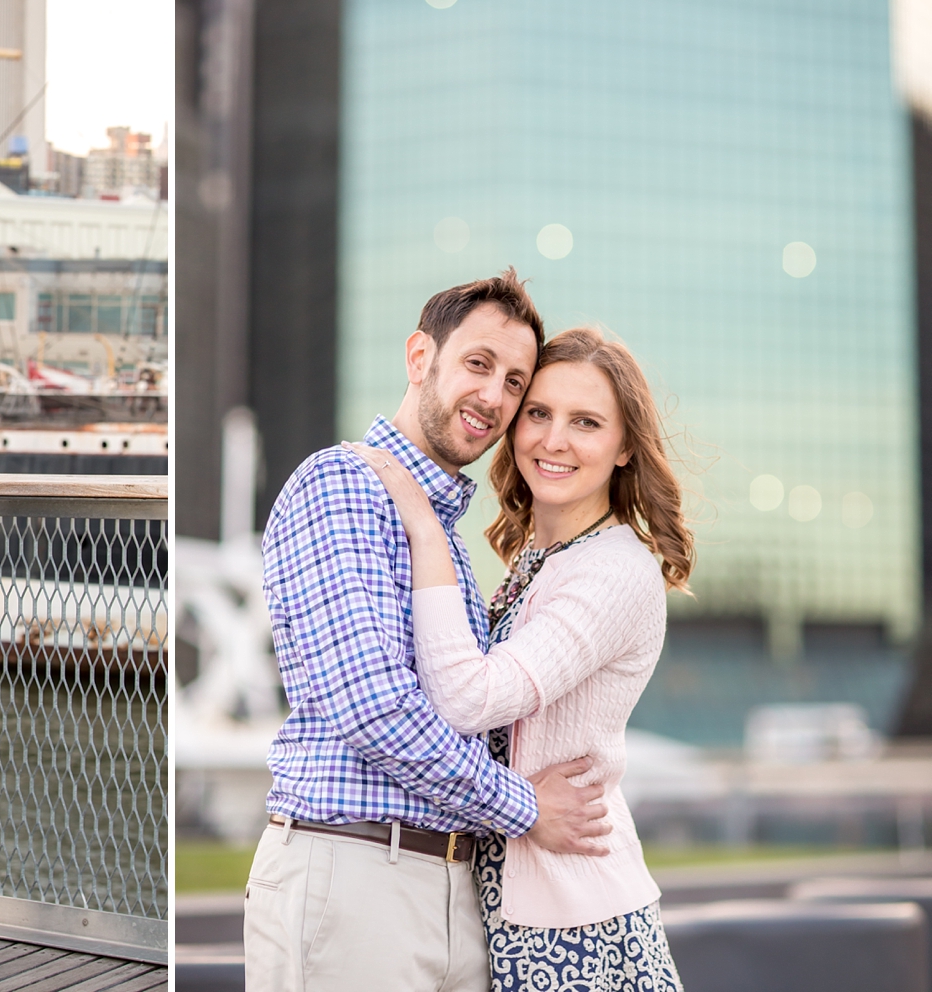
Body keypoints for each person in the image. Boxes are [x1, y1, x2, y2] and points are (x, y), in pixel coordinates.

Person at [245, 270, 613, 992]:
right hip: (352, 875)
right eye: (478, 365)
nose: (495, 398)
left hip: (447, 886)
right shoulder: (344, 485)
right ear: (421, 359)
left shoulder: (439, 529)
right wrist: (527, 807)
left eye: (515, 381)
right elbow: (373, 707)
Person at [346, 326, 692, 992]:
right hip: (514, 918)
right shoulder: (540, 559)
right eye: (538, 413)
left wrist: (423, 526)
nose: (553, 439)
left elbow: (469, 700)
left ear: (623, 448)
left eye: (586, 422)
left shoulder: (615, 570)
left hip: (579, 928)